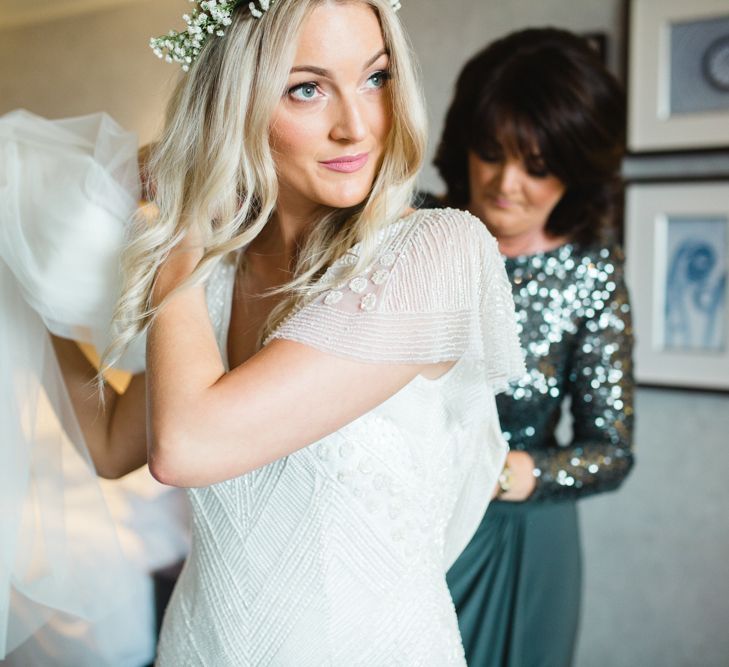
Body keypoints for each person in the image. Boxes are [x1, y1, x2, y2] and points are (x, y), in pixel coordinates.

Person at [5, 1, 525, 664]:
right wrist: (17, 278)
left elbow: (185, 446)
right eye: (306, 89)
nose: (358, 125)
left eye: (376, 77)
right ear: (233, 105)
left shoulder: (435, 252)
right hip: (199, 646)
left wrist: (175, 227)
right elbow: (112, 445)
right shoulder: (215, 277)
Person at [431, 28, 636, 667]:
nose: (505, 183)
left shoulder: (590, 271)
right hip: (405, 520)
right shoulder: (412, 231)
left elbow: (613, 450)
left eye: (538, 166)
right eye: (490, 152)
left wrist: (517, 474)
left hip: (519, 531)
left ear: (575, 170)